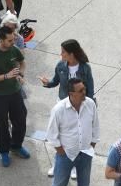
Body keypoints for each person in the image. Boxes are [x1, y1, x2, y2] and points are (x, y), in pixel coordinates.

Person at [46, 77, 100, 186]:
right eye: (81, 90)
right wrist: (61, 152)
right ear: (71, 93)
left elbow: (95, 126)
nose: (85, 92)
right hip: (65, 156)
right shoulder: (59, 109)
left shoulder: (90, 104)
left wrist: (92, 145)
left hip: (85, 154)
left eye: (84, 89)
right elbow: (52, 135)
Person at [39, 38, 94, 177]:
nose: (61, 54)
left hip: (79, 107)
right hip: (62, 105)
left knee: (76, 137)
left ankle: (74, 166)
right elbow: (55, 81)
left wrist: (90, 108)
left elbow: (90, 90)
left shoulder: (85, 68)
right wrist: (47, 83)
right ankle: (58, 164)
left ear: (72, 54)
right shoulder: (61, 66)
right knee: (59, 136)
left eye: (63, 52)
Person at [0, 25, 29, 167]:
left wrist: (20, 74)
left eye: (13, 39)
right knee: (1, 124)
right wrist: (5, 76)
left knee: (20, 120)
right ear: (1, 40)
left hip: (15, 92)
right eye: (9, 40)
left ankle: (16, 146)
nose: (12, 42)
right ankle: (4, 151)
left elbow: (22, 63)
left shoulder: (13, 49)